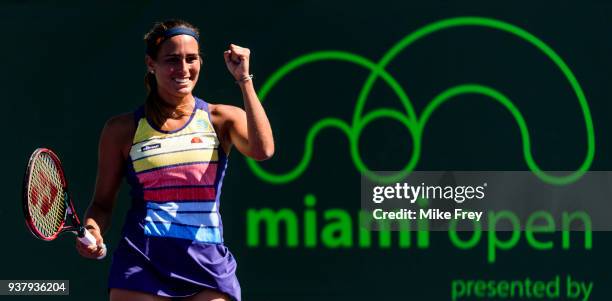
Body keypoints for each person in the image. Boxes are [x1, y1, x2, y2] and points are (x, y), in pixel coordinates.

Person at [75, 19, 274, 301]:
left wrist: (244, 79)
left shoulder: (221, 119)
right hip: (141, 261)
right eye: (172, 60)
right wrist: (93, 231)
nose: (183, 69)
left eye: (191, 59)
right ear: (150, 64)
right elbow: (102, 204)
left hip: (207, 263)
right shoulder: (121, 130)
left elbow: (263, 150)